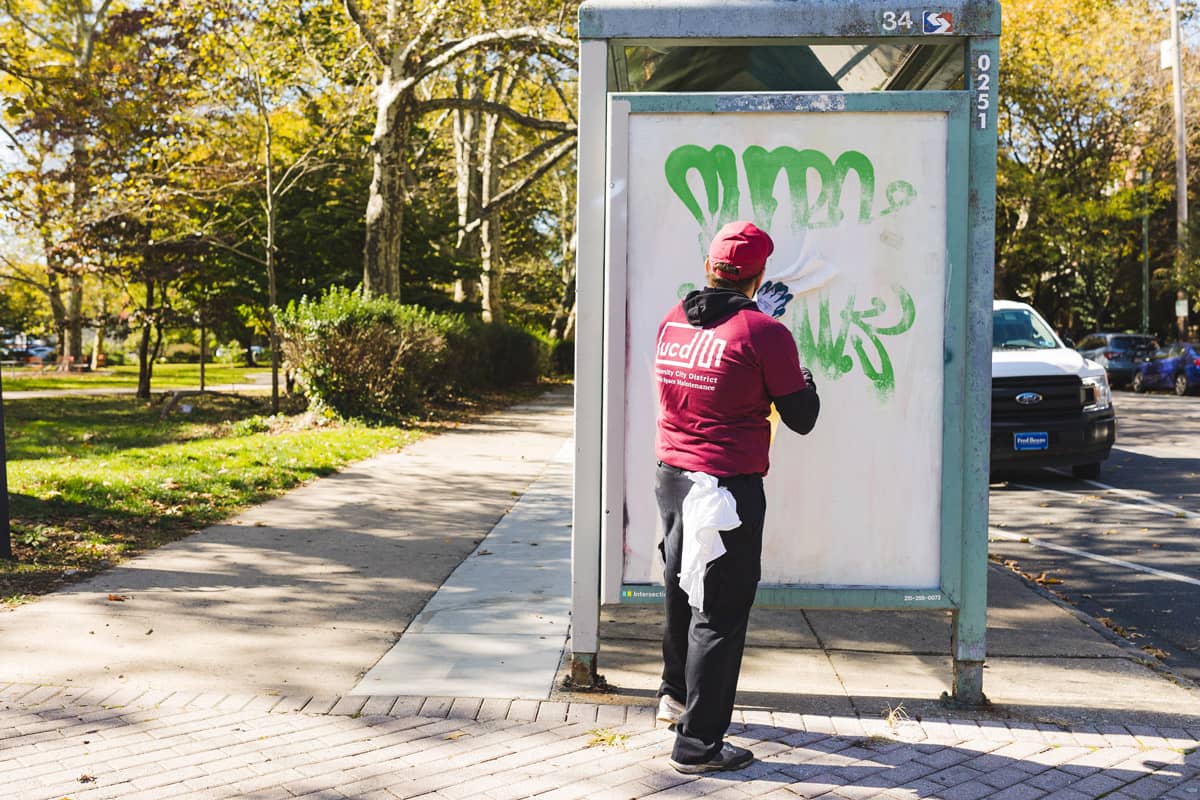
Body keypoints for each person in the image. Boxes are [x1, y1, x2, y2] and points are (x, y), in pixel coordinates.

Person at [653, 220, 820, 774]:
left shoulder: (673, 322)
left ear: (710, 266)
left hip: (673, 477)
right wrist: (803, 374)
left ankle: (675, 698)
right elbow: (802, 418)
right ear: (759, 274)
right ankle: (698, 746)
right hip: (726, 488)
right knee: (720, 611)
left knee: (682, 588)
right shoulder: (764, 333)